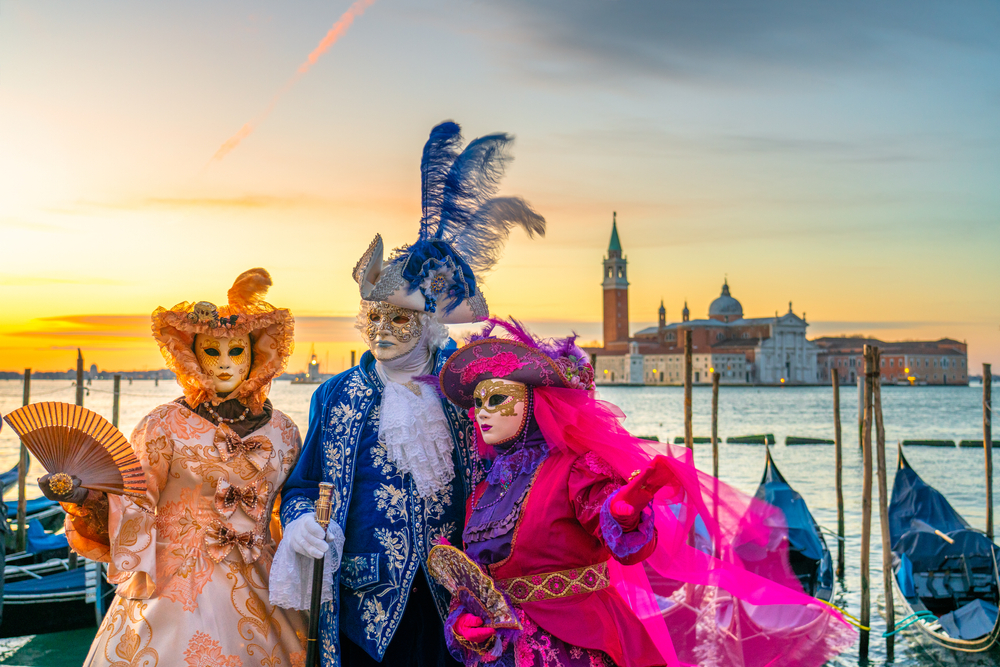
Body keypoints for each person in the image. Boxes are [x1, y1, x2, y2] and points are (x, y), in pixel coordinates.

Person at [270, 120, 545, 667]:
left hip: (461, 599)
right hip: (368, 607)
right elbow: (301, 485)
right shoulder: (338, 395)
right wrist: (300, 520)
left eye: (399, 318)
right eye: (373, 317)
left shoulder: (469, 386)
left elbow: (517, 461)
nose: (381, 331)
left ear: (431, 323)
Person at [437, 319, 853, 667]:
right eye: (477, 402)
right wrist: (464, 620)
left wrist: (622, 510)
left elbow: (613, 529)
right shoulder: (488, 486)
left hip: (575, 647)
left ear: (536, 402)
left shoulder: (575, 469)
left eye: (498, 398)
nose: (483, 411)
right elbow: (482, 580)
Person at [39, 268, 306, 667]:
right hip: (175, 590)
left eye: (236, 351)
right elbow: (136, 501)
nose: (225, 363)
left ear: (256, 355)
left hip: (264, 592)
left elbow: (291, 508)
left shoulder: (284, 430)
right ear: (191, 355)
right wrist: (86, 497)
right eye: (211, 351)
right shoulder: (163, 424)